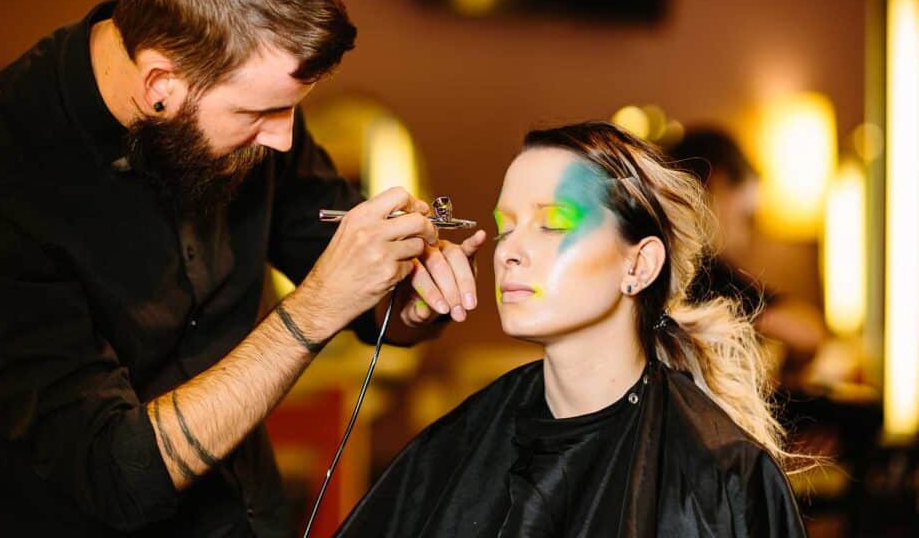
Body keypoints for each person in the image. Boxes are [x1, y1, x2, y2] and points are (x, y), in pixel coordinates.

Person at [0, 0, 485, 536]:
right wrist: (312, 313)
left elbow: (337, 259)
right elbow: (114, 476)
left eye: (290, 109)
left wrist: (405, 301)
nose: (284, 141)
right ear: (161, 84)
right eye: (259, 113)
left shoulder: (247, 106)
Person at [336, 121, 805, 537]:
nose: (508, 252)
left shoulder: (722, 473)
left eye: (553, 224)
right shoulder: (454, 448)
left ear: (639, 265)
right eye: (506, 227)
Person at [669, 128, 828, 373]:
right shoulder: (703, 271)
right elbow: (807, 333)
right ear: (718, 184)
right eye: (747, 217)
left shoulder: (657, 259)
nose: (747, 233)